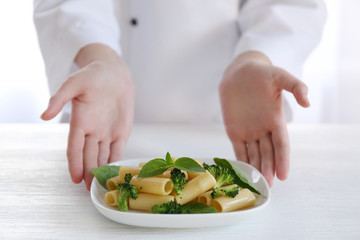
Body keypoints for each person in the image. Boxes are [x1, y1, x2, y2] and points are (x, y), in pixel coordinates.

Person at [33, 0, 326, 190]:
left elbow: (291, 4)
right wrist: (97, 55)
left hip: (229, 128)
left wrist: (259, 57)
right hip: (101, 131)